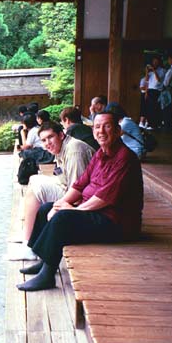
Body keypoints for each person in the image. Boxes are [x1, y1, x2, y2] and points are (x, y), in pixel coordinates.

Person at [17, 111, 143, 292]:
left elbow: (104, 198)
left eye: (107, 126)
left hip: (116, 223)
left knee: (63, 219)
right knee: (47, 208)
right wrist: (59, 204)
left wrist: (73, 210)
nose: (101, 131)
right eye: (97, 127)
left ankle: (47, 276)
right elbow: (79, 184)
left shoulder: (125, 158)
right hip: (97, 212)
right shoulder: (101, 154)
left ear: (117, 131)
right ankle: (43, 259)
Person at [9, 121, 95, 260]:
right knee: (34, 180)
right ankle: (28, 231)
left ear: (61, 135)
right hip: (67, 186)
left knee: (37, 189)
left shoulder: (74, 150)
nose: (47, 143)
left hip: (83, 197)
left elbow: (78, 188)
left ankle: (28, 245)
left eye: (50, 137)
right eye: (43, 140)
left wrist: (58, 206)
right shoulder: (62, 147)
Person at [145, 55, 165, 129]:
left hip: (157, 91)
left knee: (155, 108)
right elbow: (147, 80)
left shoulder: (162, 70)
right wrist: (147, 71)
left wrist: (154, 70)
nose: (155, 63)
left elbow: (159, 80)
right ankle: (150, 124)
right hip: (150, 90)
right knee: (149, 108)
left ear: (159, 62)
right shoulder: (151, 71)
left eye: (156, 61)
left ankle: (155, 124)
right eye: (154, 61)